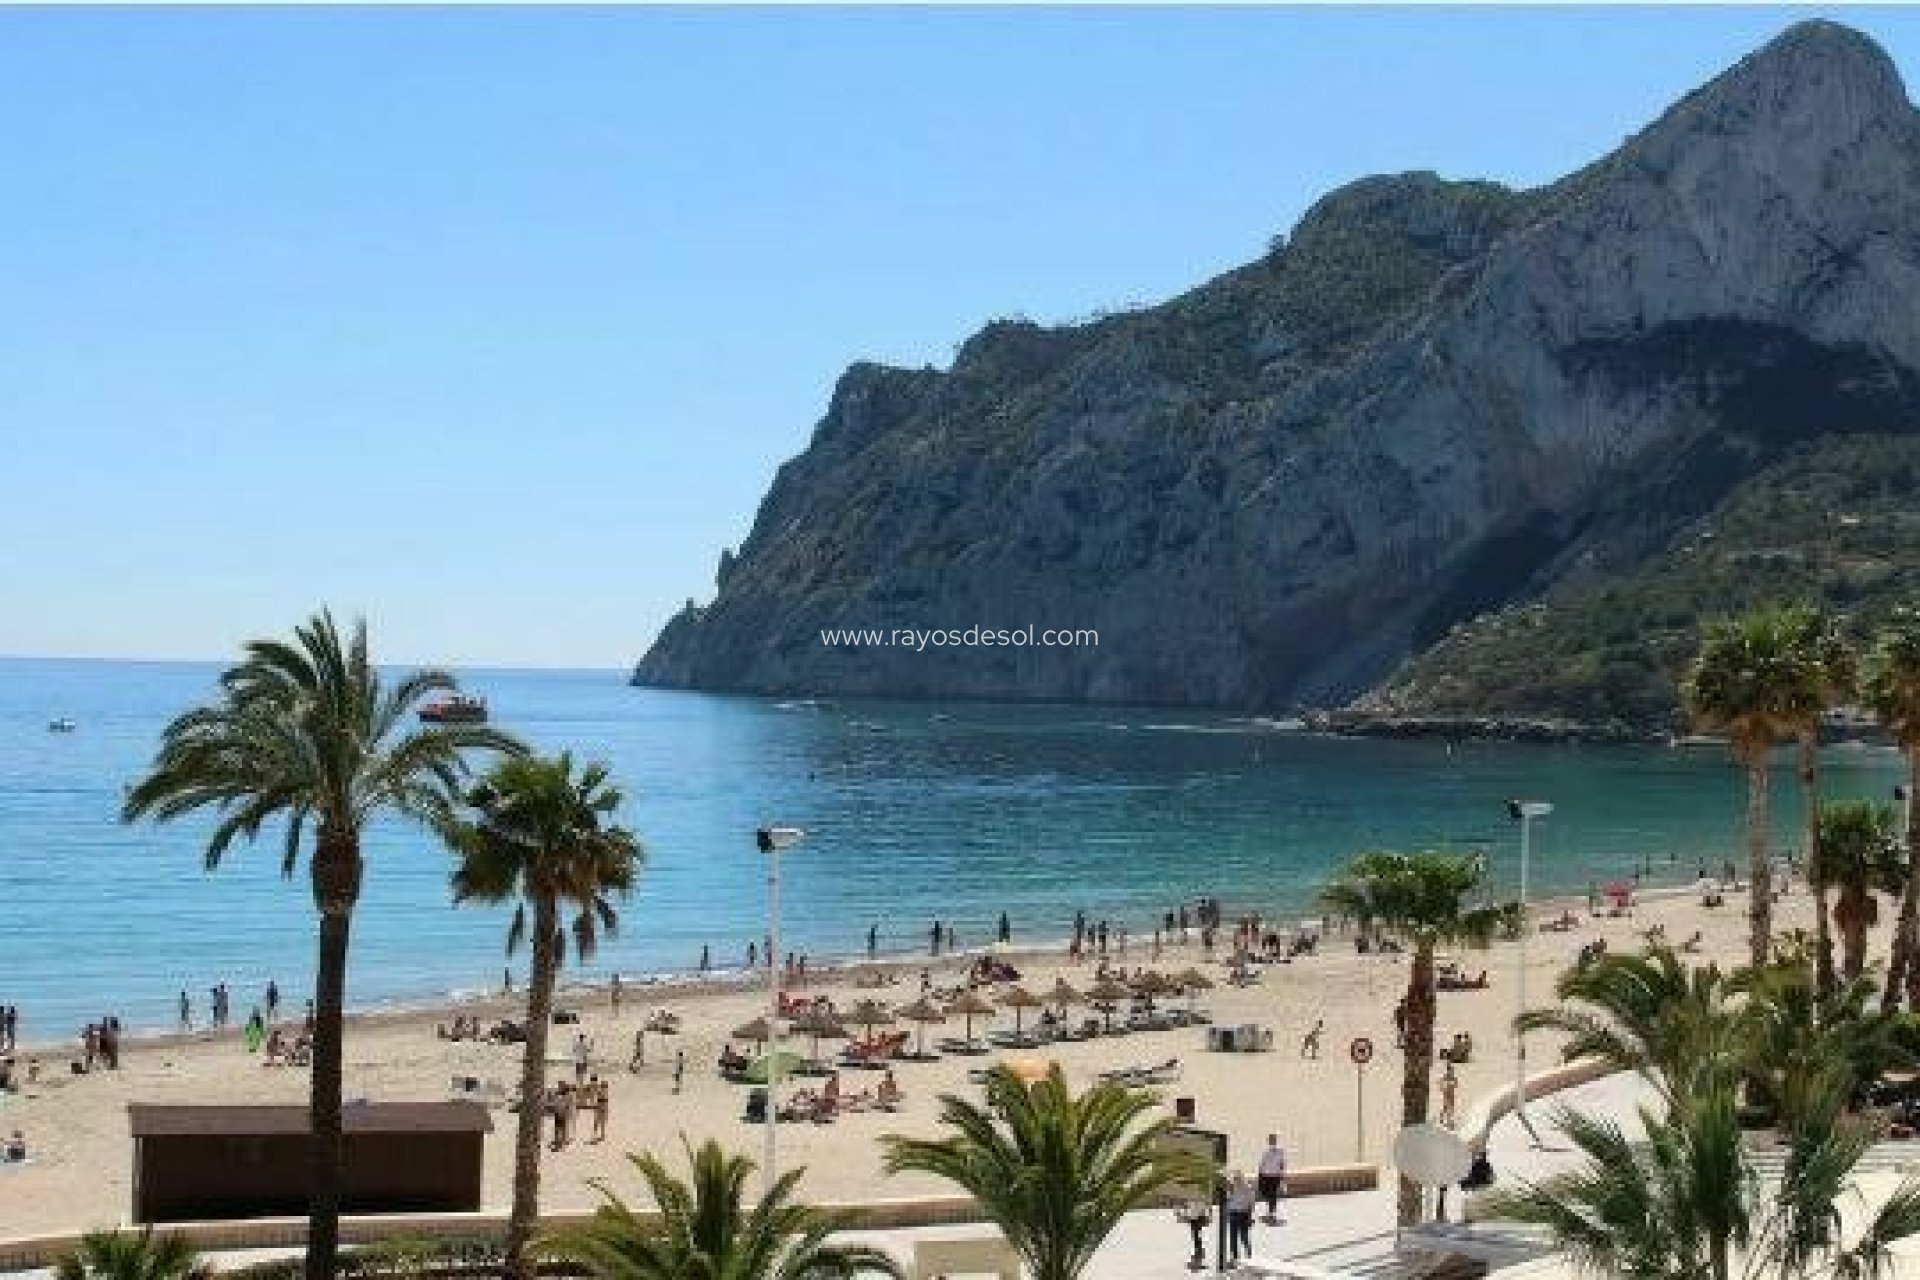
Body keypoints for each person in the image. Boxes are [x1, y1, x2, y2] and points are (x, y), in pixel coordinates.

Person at [1225, 1170, 1255, 1262]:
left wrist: (1250, 1216)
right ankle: (1234, 1256)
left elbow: (1251, 1203)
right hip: (1234, 1213)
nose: (1236, 1180)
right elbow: (1228, 1202)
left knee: (1244, 1236)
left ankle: (1248, 1253)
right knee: (1233, 1237)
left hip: (1243, 1214)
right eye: (1235, 1179)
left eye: (1237, 1178)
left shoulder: (1247, 1188)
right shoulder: (1231, 1188)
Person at [1257, 1135, 1288, 1225]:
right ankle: (1270, 1206)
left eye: (1273, 1140)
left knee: (1273, 1194)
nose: (1272, 1142)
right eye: (1271, 1140)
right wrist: (1260, 1175)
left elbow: (1282, 1163)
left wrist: (1282, 1175)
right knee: (1264, 1192)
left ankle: (1271, 1211)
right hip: (1265, 1175)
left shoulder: (1280, 1151)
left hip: (1275, 1176)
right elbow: (1261, 1164)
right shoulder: (1265, 1151)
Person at [1176, 1195, 1211, 1270]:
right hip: (1194, 1217)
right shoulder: (1191, 1199)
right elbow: (1185, 1206)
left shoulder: (1198, 1197)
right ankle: (1199, 1252)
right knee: (1196, 1236)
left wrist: (1208, 1215)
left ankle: (1199, 1253)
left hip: (1198, 1217)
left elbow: (1206, 1205)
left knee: (1197, 1236)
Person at [1439, 1062, 1460, 1127]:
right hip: (1447, 1094)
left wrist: (1452, 1084)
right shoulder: (1446, 1077)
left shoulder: (1453, 1078)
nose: (1451, 1072)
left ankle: (1443, 1119)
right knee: (1449, 1108)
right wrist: (1444, 1089)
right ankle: (1449, 1122)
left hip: (1451, 1094)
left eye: (1452, 1071)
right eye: (1451, 1071)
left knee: (1446, 1108)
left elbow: (1456, 1085)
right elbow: (1441, 1084)